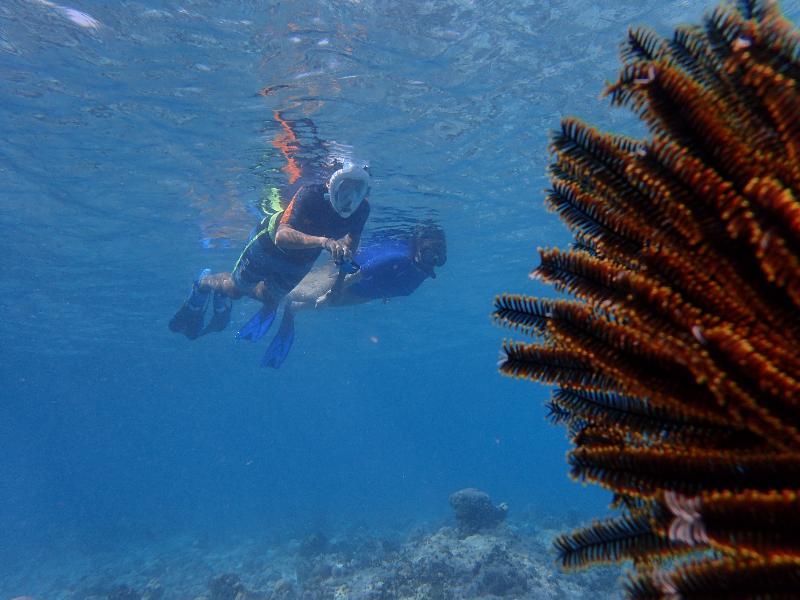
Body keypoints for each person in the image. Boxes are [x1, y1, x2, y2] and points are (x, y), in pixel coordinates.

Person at [168, 159, 372, 341]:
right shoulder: (310, 195)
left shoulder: (362, 209)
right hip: (267, 244)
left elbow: (350, 248)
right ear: (331, 184)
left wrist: (337, 287)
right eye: (346, 189)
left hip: (303, 258)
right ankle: (203, 285)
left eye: (358, 190)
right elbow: (281, 236)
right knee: (236, 289)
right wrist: (323, 241)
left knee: (269, 298)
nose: (350, 199)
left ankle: (225, 295)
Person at [248, 223, 447, 368]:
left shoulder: (422, 269)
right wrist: (330, 293)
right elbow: (359, 271)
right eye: (430, 253)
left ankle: (291, 310)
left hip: (368, 292)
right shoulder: (398, 258)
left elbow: (396, 281)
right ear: (419, 247)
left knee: (312, 304)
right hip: (344, 278)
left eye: (439, 257)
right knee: (292, 294)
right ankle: (251, 288)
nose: (434, 260)